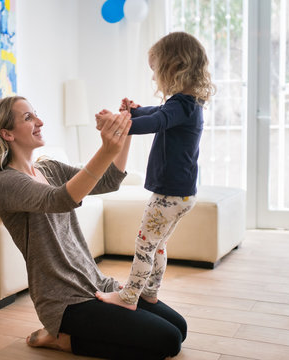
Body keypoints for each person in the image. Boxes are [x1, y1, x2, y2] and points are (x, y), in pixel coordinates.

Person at [0, 95, 188, 359]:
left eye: (36, 114)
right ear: (6, 133)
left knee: (180, 328)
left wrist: (126, 129)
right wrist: (106, 149)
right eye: (28, 118)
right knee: (168, 341)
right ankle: (64, 340)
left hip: (96, 283)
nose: (40, 122)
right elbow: (61, 199)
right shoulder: (7, 183)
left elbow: (108, 180)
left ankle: (71, 335)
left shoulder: (49, 167)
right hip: (64, 302)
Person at [95, 31, 216, 311]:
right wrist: (133, 112)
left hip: (168, 195)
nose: (153, 78)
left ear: (172, 68)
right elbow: (158, 113)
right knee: (157, 244)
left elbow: (158, 121)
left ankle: (128, 297)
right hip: (182, 194)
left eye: (155, 70)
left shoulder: (180, 106)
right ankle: (149, 291)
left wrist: (116, 122)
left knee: (144, 245)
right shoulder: (187, 103)